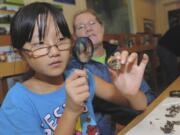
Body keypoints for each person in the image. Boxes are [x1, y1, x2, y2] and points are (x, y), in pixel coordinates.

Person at [0, 2, 149, 135]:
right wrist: (71, 111)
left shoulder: (82, 76)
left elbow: (141, 105)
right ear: (20, 53)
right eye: (39, 44)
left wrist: (131, 93)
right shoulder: (17, 103)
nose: (55, 52)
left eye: (60, 40)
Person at [71, 9, 155, 134]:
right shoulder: (76, 68)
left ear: (102, 27)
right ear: (75, 37)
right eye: (81, 27)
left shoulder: (120, 55)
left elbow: (148, 96)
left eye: (92, 23)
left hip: (146, 118)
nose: (88, 29)